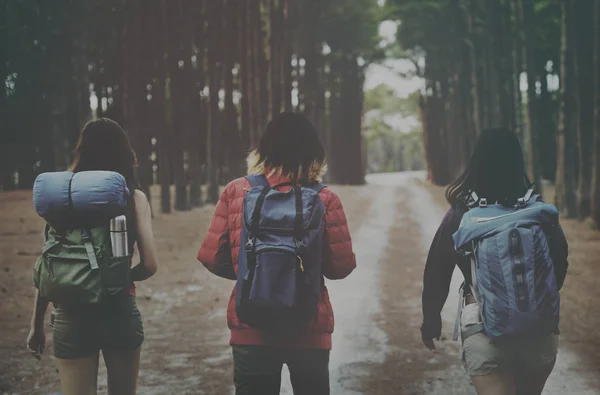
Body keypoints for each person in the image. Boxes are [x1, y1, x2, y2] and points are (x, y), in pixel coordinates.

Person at [197, 112, 356, 395]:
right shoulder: (325, 198)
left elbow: (211, 256)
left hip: (251, 323)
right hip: (309, 326)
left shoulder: (238, 191)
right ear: (314, 153)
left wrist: (251, 272)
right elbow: (340, 267)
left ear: (263, 150)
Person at [421, 128, 569, 395]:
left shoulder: (462, 213)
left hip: (483, 328)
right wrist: (533, 301)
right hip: (538, 331)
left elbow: (437, 269)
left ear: (477, 161)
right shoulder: (538, 211)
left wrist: (430, 319)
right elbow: (560, 261)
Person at [26, 118, 159, 395]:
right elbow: (149, 264)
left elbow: (49, 266)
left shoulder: (61, 201)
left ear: (82, 151)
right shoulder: (134, 197)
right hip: (119, 310)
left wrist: (36, 325)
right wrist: (115, 278)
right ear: (125, 153)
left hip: (71, 315)